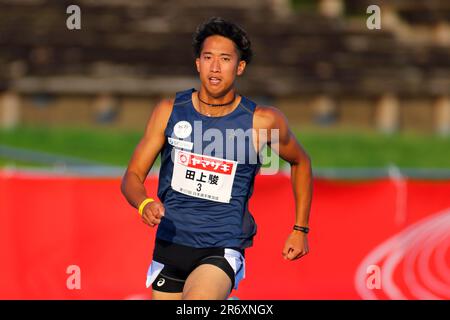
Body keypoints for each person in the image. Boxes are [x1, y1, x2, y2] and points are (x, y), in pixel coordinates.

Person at [121, 17, 313, 300]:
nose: (215, 66)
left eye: (225, 59)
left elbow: (301, 162)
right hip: (170, 245)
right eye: (208, 57)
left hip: (221, 246)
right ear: (197, 63)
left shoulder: (261, 121)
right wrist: (144, 203)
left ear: (240, 67)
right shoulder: (168, 111)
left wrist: (300, 229)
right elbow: (132, 177)